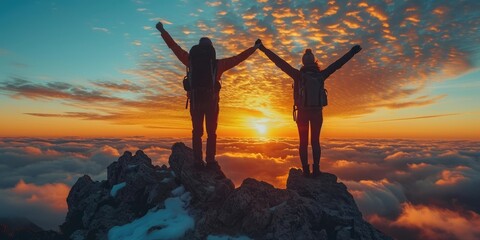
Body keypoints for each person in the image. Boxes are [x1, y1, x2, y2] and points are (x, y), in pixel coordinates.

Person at [156, 22, 260, 171]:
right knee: (211, 133)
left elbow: (174, 47)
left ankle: (197, 162)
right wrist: (254, 48)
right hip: (212, 102)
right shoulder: (218, 65)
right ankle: (210, 161)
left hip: (195, 102)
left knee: (197, 133)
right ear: (211, 50)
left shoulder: (189, 60)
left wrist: (163, 31)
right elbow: (239, 58)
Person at [258, 41, 362, 177]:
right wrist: (352, 52)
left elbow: (280, 62)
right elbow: (338, 64)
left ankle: (306, 171)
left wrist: (264, 49)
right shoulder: (321, 75)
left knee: (303, 143)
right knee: (315, 142)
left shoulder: (298, 75)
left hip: (302, 113)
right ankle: (316, 170)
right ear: (314, 62)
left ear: (303, 62)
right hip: (317, 113)